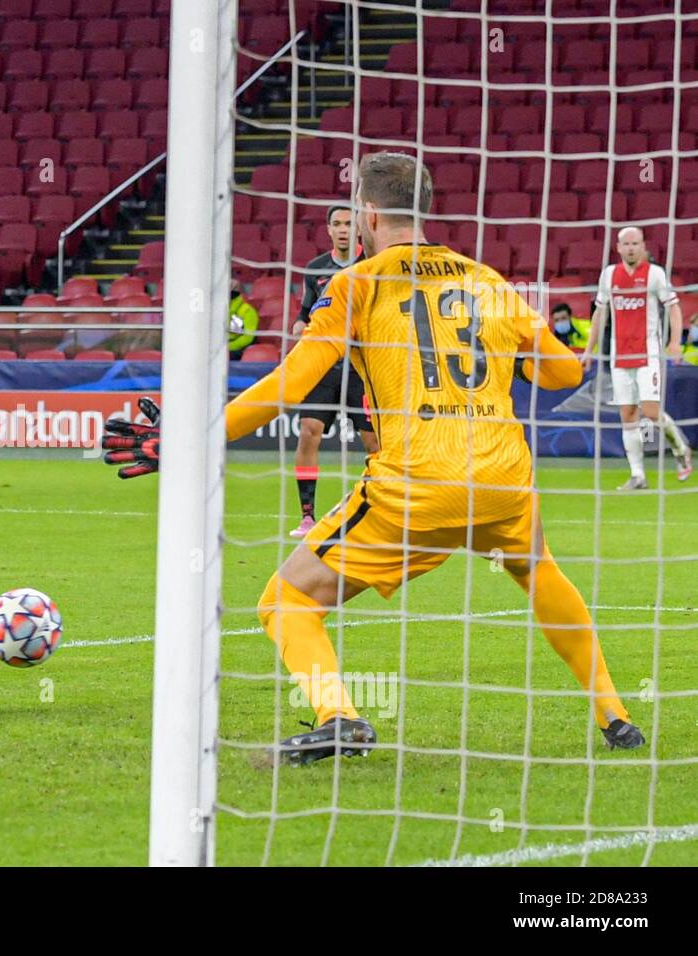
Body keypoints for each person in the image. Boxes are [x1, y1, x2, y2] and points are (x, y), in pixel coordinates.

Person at [103, 152, 644, 762]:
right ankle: (615, 715)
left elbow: (289, 382)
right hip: (502, 473)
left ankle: (339, 714)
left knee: (286, 600)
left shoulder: (357, 283)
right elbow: (564, 371)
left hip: (417, 481)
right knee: (538, 570)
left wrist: (192, 438)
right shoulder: (486, 279)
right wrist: (511, 354)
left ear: (366, 211)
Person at [287, 205, 380, 538]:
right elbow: (304, 314)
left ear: (357, 228)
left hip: (360, 368)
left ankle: (378, 511)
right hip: (324, 366)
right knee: (308, 430)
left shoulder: (371, 264)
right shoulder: (315, 270)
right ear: (328, 229)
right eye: (336, 224)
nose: (342, 229)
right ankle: (307, 517)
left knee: (374, 443)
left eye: (347, 223)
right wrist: (299, 326)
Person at [581, 227, 692, 487]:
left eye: (635, 243)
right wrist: (589, 350)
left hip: (648, 353)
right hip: (619, 357)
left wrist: (674, 342)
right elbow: (600, 314)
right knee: (628, 414)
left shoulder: (654, 274)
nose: (631, 248)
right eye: (626, 244)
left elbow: (674, 309)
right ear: (618, 247)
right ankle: (638, 475)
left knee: (651, 411)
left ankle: (680, 451)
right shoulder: (609, 275)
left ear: (643, 246)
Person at [227, 278, 259, 359]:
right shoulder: (216, 310)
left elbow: (248, 338)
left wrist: (228, 347)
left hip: (238, 351)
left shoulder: (248, 311)